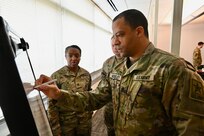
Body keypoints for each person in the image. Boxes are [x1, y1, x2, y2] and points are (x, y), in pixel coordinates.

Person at [35, 9, 204, 135]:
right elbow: (96, 98)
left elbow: (193, 127)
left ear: (139, 31)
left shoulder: (172, 68)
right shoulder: (115, 66)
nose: (114, 41)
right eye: (113, 35)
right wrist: (58, 94)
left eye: (120, 35)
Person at [48, 45, 93, 136]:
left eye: (77, 56)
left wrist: (89, 116)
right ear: (65, 56)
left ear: (80, 57)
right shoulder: (56, 76)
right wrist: (55, 128)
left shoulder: (86, 74)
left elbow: (89, 95)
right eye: (70, 55)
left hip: (84, 122)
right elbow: (52, 104)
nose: (74, 58)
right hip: (66, 124)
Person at [102, 37, 124, 136]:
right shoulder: (107, 63)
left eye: (117, 45)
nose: (115, 48)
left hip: (127, 108)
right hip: (110, 106)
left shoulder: (132, 61)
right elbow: (103, 86)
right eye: (112, 45)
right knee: (111, 130)